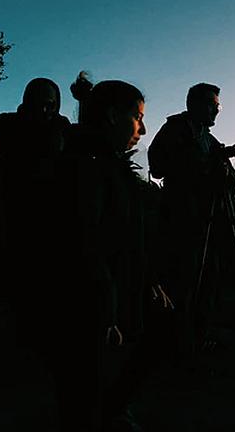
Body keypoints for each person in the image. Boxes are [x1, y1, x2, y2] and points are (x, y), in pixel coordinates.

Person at [53, 71, 159, 432]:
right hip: (94, 304)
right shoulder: (88, 166)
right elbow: (86, 241)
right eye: (139, 117)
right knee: (87, 390)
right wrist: (107, 309)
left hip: (114, 295)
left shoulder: (106, 163)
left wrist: (147, 280)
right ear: (113, 115)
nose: (142, 130)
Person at [147, 82, 232, 356]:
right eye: (213, 105)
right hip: (180, 219)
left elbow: (226, 180)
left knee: (207, 281)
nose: (216, 112)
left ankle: (199, 338)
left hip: (207, 221)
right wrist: (198, 168)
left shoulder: (211, 140)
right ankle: (175, 343)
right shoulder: (175, 130)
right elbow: (157, 166)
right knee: (181, 281)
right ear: (195, 104)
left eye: (218, 106)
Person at [0, 77, 71, 301]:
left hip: (54, 212)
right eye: (38, 103)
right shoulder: (7, 123)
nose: (44, 109)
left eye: (50, 104)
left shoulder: (61, 126)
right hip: (14, 206)